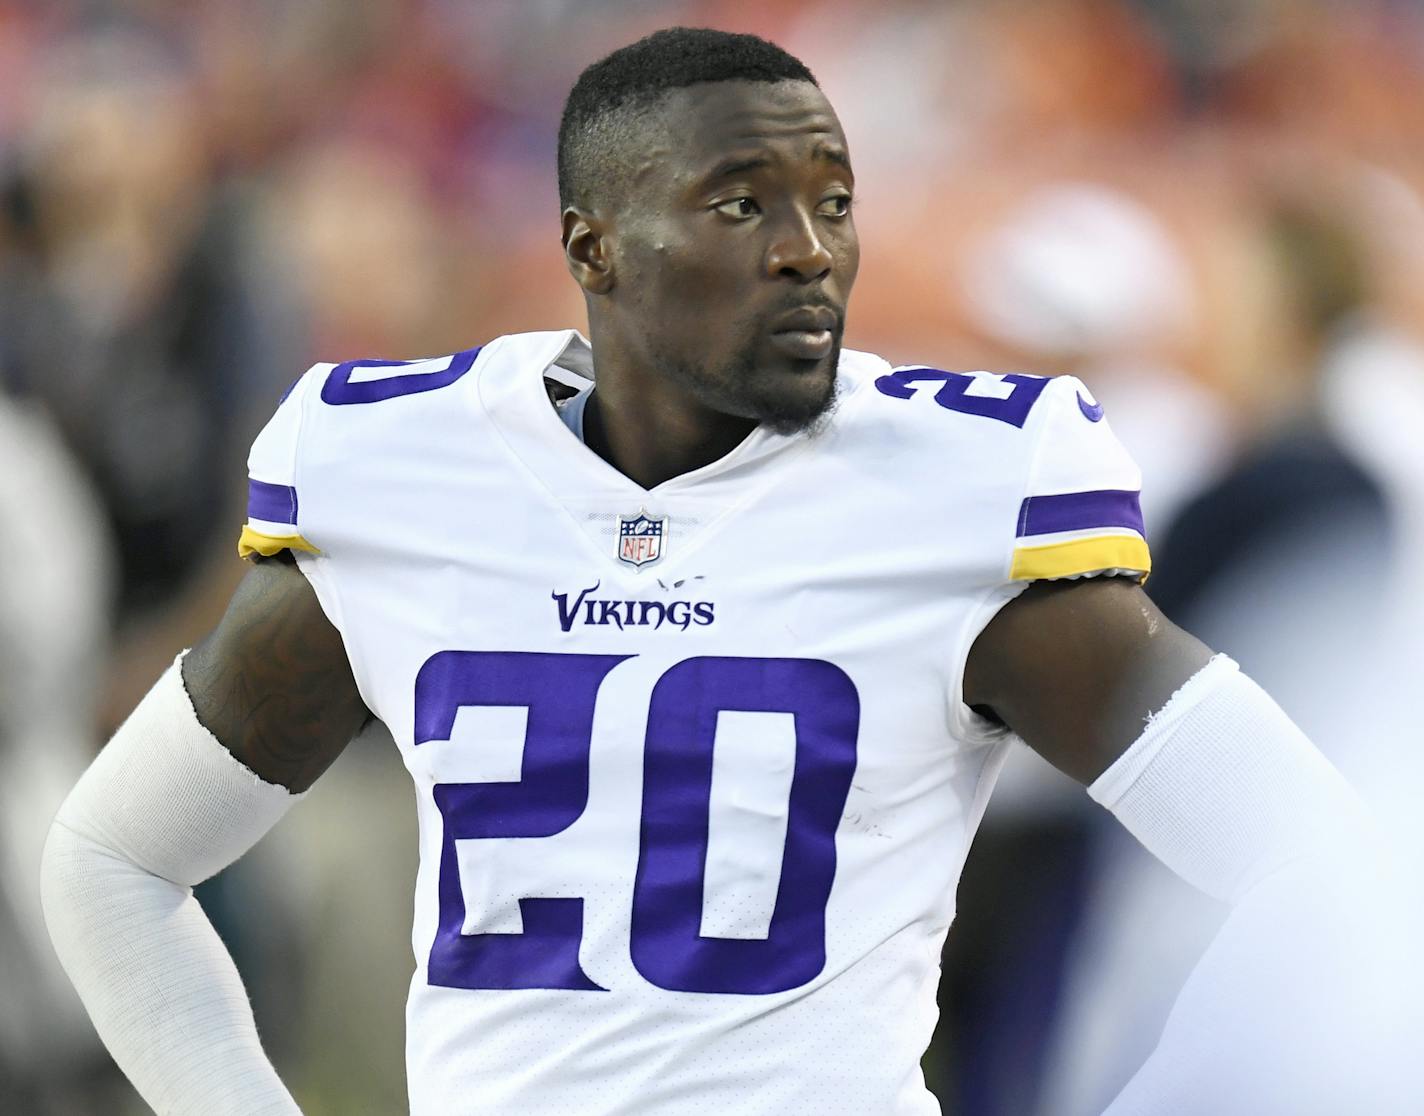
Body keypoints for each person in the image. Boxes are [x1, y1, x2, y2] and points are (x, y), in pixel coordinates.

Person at [40, 27, 1400, 1116]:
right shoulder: (412, 471)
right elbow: (110, 862)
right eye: (744, 204)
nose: (811, 250)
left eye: (833, 201)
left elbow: (1321, 866)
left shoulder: (957, 496)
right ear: (592, 247)